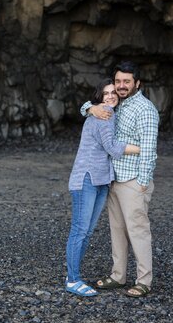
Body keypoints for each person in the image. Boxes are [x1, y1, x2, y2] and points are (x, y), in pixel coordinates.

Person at [79, 61, 160, 297]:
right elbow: (89, 103)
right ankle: (118, 275)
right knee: (117, 230)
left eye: (126, 81)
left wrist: (143, 183)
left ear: (137, 83)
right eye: (118, 81)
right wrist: (90, 109)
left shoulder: (145, 110)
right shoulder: (117, 103)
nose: (121, 86)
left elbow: (149, 149)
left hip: (134, 180)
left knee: (138, 230)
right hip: (113, 178)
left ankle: (144, 281)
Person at [65, 79, 141, 297]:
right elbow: (112, 148)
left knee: (86, 231)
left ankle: (73, 273)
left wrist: (88, 107)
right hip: (86, 179)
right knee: (80, 231)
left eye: (113, 92)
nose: (110, 96)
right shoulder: (104, 113)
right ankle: (72, 280)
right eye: (105, 93)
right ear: (99, 97)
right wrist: (142, 148)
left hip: (100, 180)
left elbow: (87, 110)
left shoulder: (99, 111)